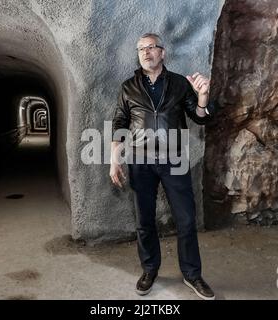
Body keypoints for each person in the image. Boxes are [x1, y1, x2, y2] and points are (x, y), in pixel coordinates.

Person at [110, 33, 217, 300]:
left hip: (174, 159)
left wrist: (203, 97)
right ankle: (149, 270)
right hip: (140, 160)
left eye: (151, 47)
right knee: (144, 220)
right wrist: (115, 158)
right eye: (141, 49)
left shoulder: (180, 84)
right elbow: (120, 123)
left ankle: (192, 275)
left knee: (187, 219)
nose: (146, 52)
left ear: (162, 52)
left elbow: (199, 117)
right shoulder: (128, 87)